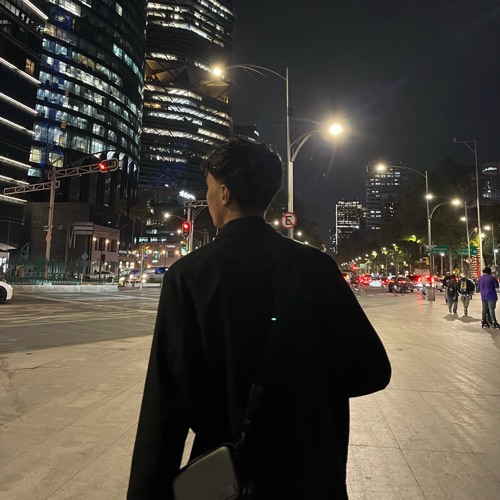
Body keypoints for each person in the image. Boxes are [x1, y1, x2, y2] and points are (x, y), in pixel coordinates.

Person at [127, 138, 392, 500]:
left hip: (230, 476)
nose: (208, 198)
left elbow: (165, 404)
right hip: (310, 474)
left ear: (224, 194)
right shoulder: (316, 268)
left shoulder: (188, 276)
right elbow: (372, 370)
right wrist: (306, 392)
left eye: (209, 188)